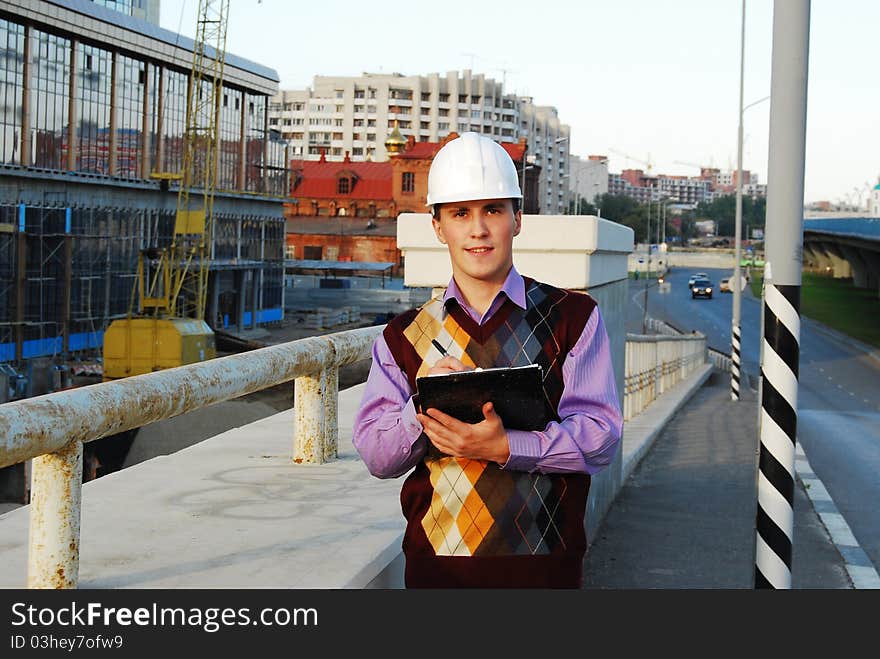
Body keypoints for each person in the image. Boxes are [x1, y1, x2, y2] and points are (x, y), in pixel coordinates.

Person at [352, 132, 622, 588]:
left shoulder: (573, 318)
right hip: (438, 573)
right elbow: (378, 457)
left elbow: (599, 439)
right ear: (438, 227)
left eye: (493, 210)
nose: (478, 229)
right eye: (461, 213)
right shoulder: (402, 338)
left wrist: (504, 448)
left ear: (517, 219)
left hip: (546, 571)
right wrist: (422, 405)